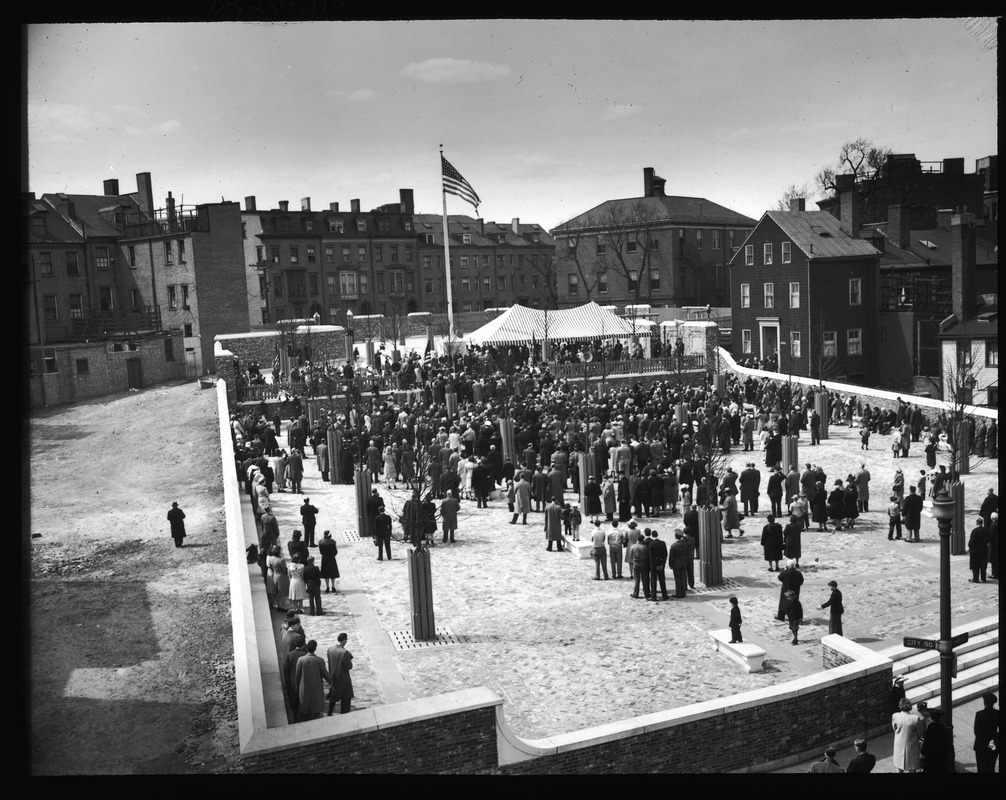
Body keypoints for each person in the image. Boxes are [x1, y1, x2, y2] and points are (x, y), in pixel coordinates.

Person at [294, 639, 331, 722]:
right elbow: (325, 675)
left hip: (304, 691)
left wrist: (297, 689)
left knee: (304, 714)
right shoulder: (319, 660)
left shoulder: (301, 660)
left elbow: (297, 676)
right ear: (315, 648)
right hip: (316, 691)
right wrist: (332, 680)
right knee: (316, 715)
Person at [326, 632, 354, 715]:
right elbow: (348, 666)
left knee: (333, 697)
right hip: (343, 679)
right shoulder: (344, 652)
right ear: (344, 640)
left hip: (334, 677)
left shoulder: (330, 649)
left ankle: (329, 713)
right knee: (346, 699)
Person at [892, 697, 922, 772]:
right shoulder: (915, 718)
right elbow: (919, 733)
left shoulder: (895, 716)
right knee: (912, 766)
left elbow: (894, 729)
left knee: (899, 767)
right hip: (912, 744)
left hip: (899, 743)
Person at [973, 691, 999, 773]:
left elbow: (977, 731)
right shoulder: (998, 714)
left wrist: (985, 742)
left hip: (981, 746)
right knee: (991, 768)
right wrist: (993, 741)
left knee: (981, 768)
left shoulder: (979, 714)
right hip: (993, 745)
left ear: (984, 702)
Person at [920, 708, 951, 773]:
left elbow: (927, 743)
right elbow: (948, 744)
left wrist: (923, 753)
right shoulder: (943, 727)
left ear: (931, 718)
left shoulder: (931, 728)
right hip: (942, 757)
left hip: (931, 758)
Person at [630, 529, 651, 598]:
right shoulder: (645, 547)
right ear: (643, 540)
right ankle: (646, 593)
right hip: (644, 563)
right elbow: (648, 556)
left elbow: (631, 556)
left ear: (637, 539)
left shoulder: (633, 546)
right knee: (645, 579)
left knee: (637, 579)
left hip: (636, 563)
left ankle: (636, 593)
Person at [648, 529, 669, 601]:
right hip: (661, 564)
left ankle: (654, 596)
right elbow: (665, 554)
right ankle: (665, 595)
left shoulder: (651, 544)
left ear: (652, 535)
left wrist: (654, 565)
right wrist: (662, 564)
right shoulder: (662, 543)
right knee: (662, 580)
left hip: (654, 565)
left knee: (653, 580)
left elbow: (651, 557)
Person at [669, 531, 690, 599]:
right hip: (683, 562)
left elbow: (671, 557)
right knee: (683, 577)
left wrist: (670, 564)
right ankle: (683, 592)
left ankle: (678, 593)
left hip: (676, 563)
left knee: (677, 579)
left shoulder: (674, 546)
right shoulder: (685, 544)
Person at [968, 518, 990, 582]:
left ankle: (976, 578)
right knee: (983, 564)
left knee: (975, 565)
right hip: (984, 549)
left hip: (975, 550)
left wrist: (970, 547)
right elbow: (988, 539)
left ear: (977, 523)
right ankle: (983, 578)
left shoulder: (975, 531)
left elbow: (972, 541)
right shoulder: (986, 530)